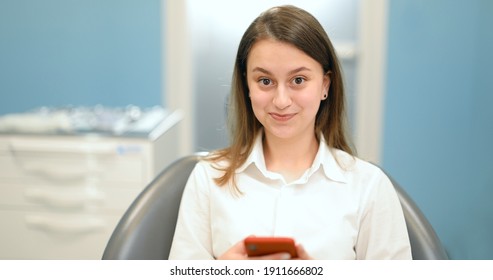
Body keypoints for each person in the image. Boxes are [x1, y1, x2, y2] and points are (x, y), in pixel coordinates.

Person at [168, 5, 411, 260]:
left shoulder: (369, 187)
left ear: (325, 85)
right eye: (265, 81)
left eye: (298, 80)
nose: (281, 101)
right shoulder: (208, 178)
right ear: (247, 86)